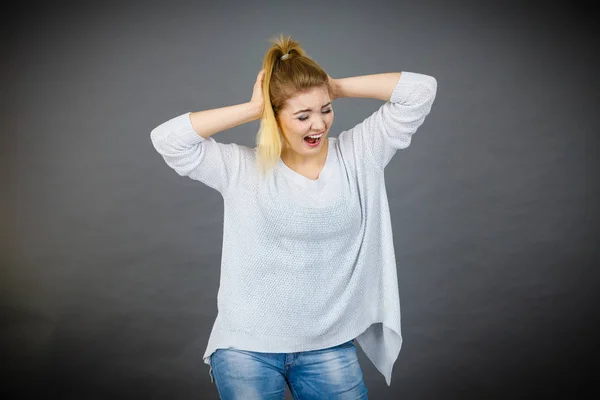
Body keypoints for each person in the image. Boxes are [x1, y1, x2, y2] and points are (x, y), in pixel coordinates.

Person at [150, 34, 437, 399]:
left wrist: (331, 86)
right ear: (276, 116)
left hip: (327, 346)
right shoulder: (242, 168)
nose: (318, 124)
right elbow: (167, 139)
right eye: (302, 115)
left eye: (325, 109)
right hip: (245, 347)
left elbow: (421, 90)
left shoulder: (359, 153)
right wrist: (254, 108)